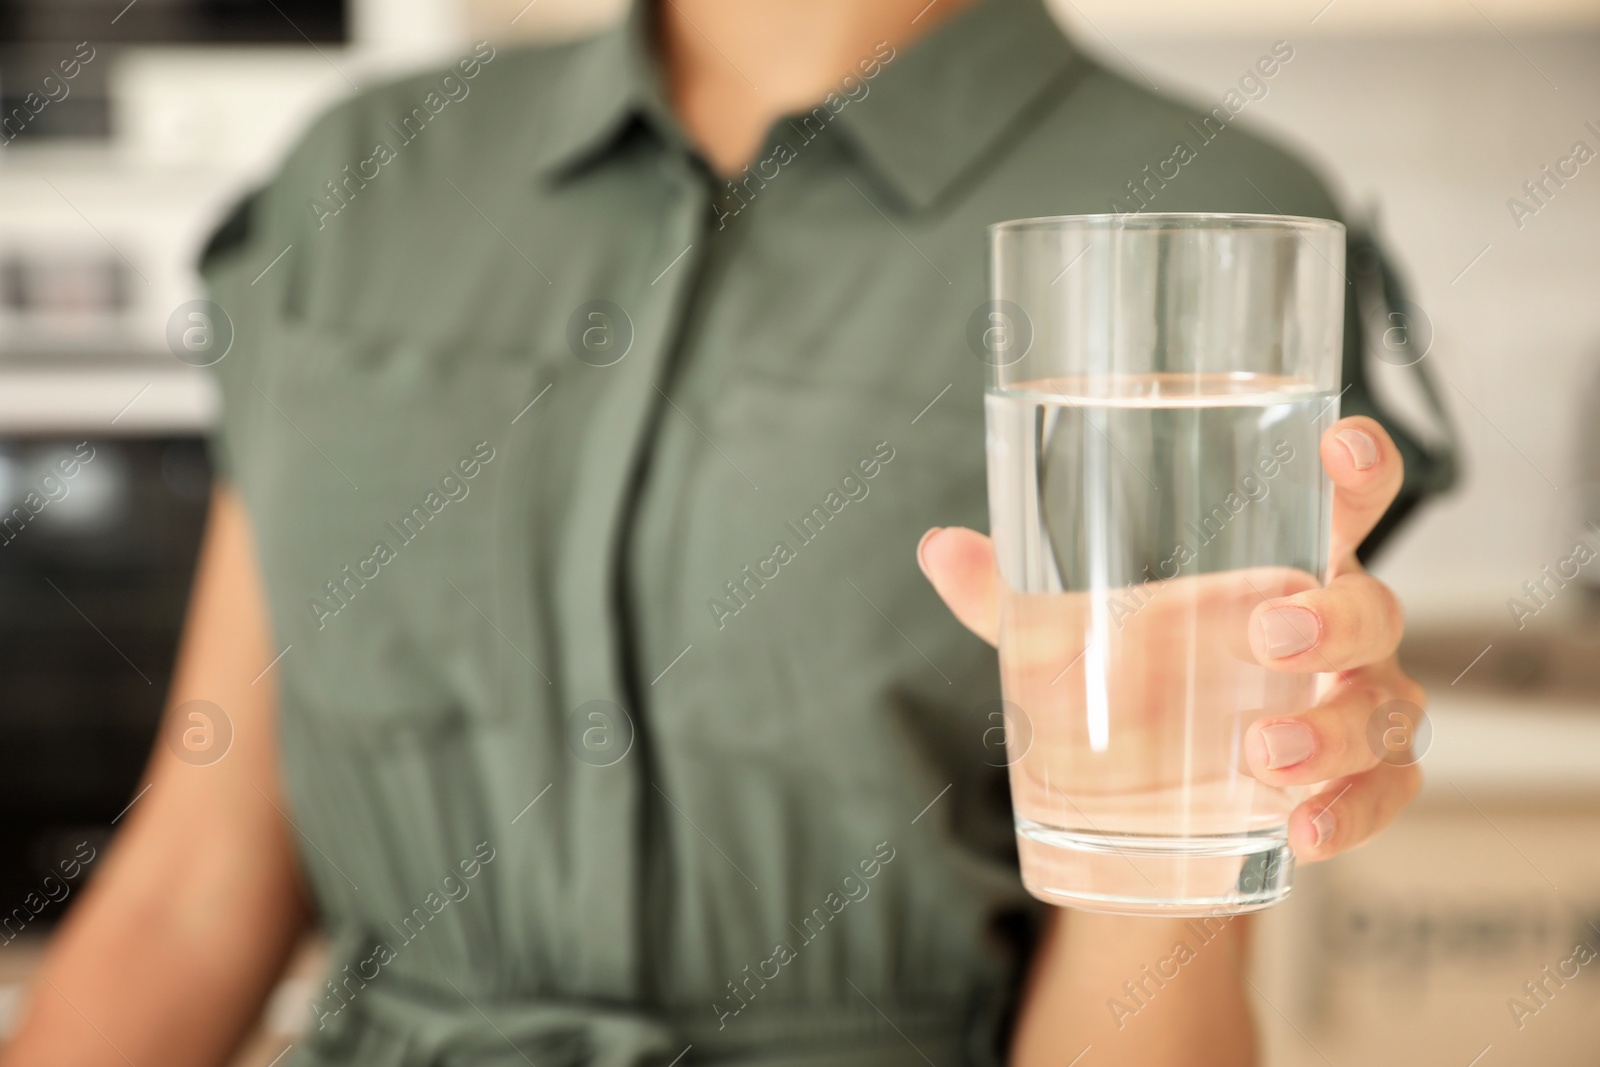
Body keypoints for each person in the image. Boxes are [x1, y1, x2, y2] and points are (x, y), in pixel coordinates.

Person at [2, 0, 1432, 1063]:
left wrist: (1208, 809)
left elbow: (1138, 954)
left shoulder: (1199, 214)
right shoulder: (364, 173)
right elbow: (195, 883)